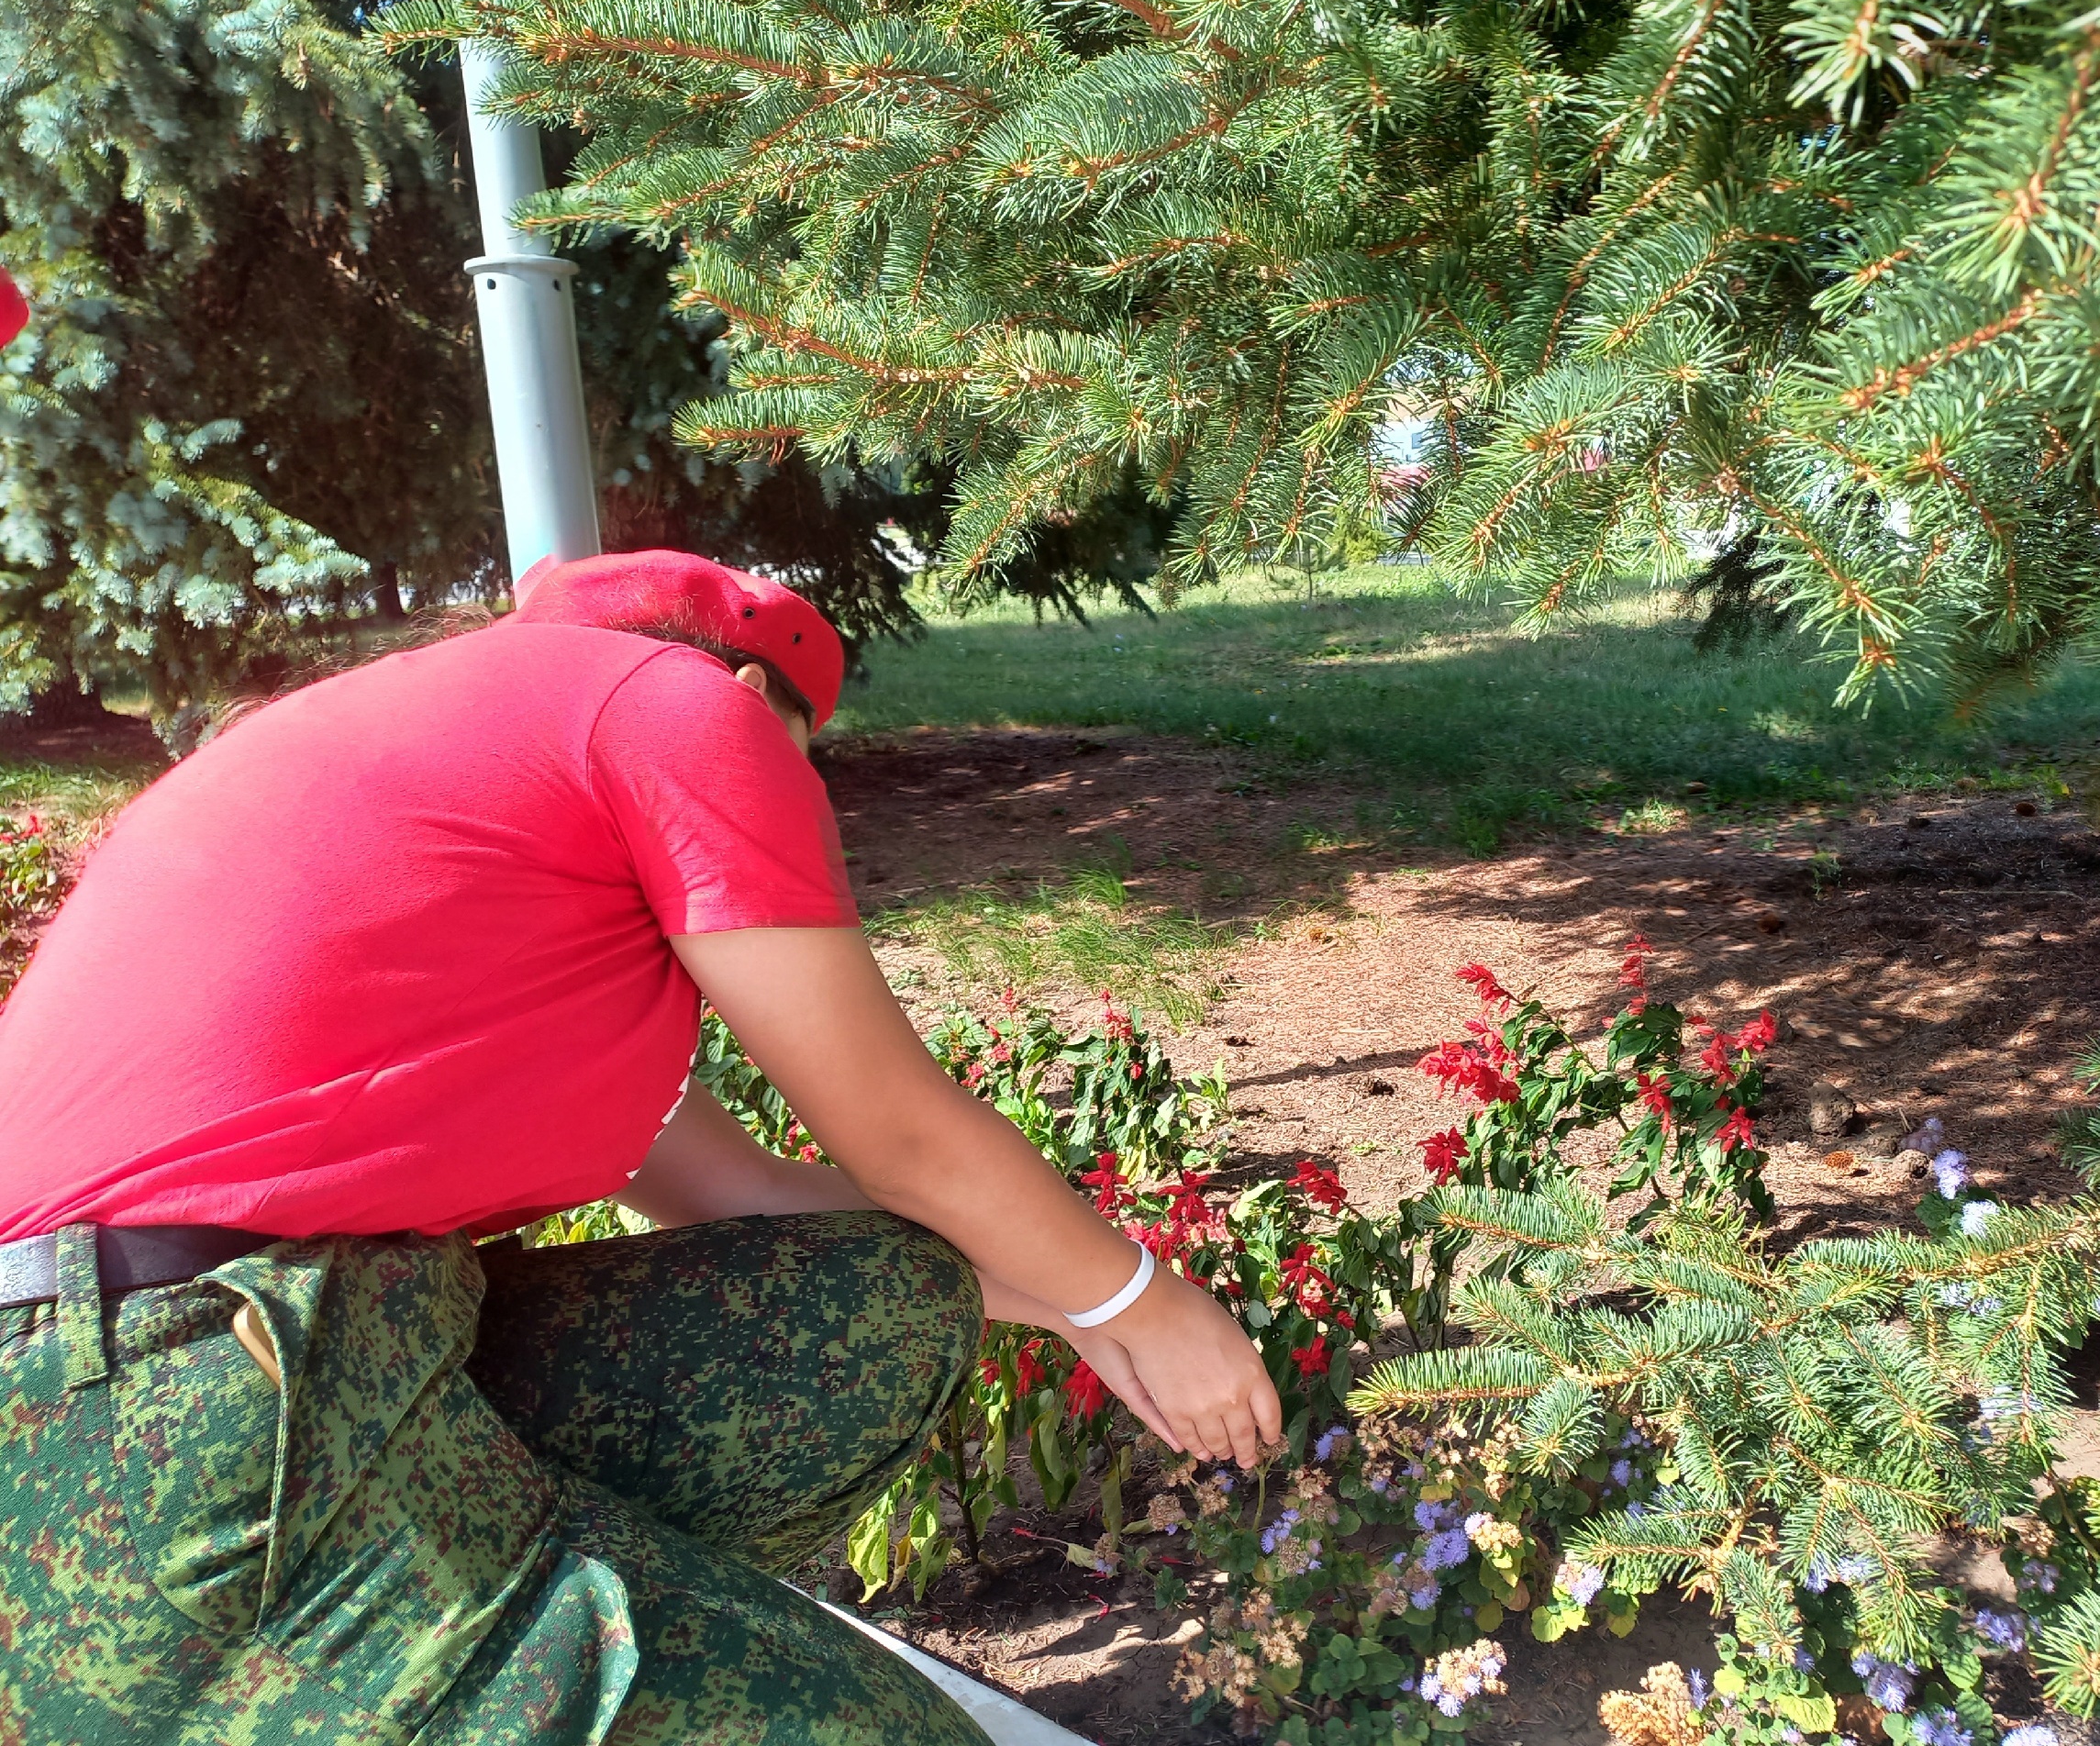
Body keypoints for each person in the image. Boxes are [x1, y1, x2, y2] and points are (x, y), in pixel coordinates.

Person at [0, 549, 1282, 1745]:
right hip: (175, 1414)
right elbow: (896, 1135)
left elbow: (741, 1200)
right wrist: (1146, 1297)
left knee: (887, 1302)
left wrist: (1070, 1308)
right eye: (798, 762)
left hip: (171, 1377)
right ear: (746, 694)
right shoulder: (671, 708)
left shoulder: (469, 808)